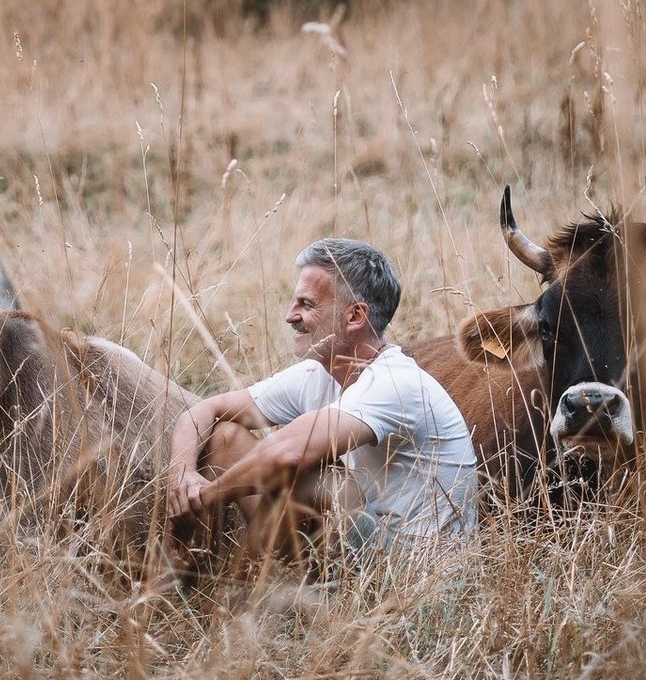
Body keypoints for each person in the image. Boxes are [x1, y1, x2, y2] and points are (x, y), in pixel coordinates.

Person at [166, 238, 477, 564]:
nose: (290, 316)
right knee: (225, 435)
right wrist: (181, 478)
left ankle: (247, 585)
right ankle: (213, 573)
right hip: (356, 544)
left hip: (411, 570)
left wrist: (203, 500)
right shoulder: (317, 372)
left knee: (319, 481)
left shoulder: (395, 383)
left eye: (307, 304)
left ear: (355, 316)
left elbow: (287, 453)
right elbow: (205, 409)